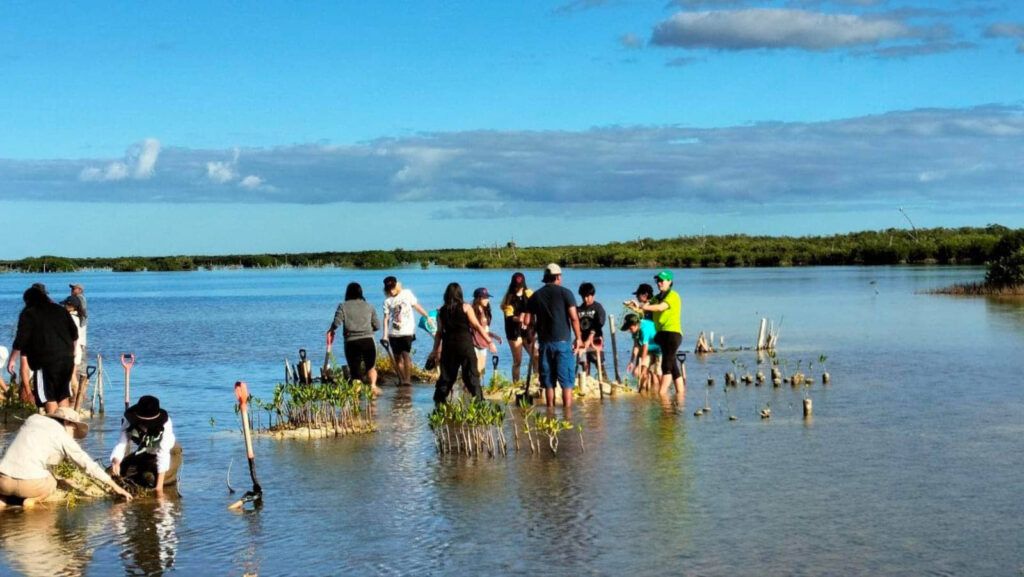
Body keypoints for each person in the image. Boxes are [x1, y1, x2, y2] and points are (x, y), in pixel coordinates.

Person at [0, 407, 132, 508]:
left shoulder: (32, 419)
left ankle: (4, 501)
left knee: (7, 489)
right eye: (74, 431)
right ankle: (32, 501)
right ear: (68, 423)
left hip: (3, 479)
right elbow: (87, 464)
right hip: (31, 486)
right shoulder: (62, 436)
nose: (73, 436)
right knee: (52, 481)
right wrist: (116, 487)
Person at [8, 283, 79, 413]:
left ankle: (54, 427)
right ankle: (65, 427)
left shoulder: (29, 314)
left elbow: (20, 340)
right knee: (63, 394)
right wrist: (72, 353)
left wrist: (12, 360)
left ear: (28, 301)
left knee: (49, 397)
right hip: (66, 359)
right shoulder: (60, 309)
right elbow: (74, 334)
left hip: (45, 362)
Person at [526, 264, 583, 412]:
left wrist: (531, 336)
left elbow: (528, 321)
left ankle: (550, 411)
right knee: (567, 382)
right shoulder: (566, 293)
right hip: (563, 342)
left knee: (548, 382)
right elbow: (574, 318)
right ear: (558, 277)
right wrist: (579, 338)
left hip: (545, 343)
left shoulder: (536, 295)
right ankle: (567, 414)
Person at [430, 283, 493, 405]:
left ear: (446, 295)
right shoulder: (466, 307)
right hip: (465, 346)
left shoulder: (441, 311)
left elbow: (439, 333)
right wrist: (489, 341)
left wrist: (435, 350)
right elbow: (477, 326)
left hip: (449, 347)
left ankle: (439, 401)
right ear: (460, 294)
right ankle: (479, 401)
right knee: (471, 375)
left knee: (447, 376)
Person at [110, 396, 182, 495]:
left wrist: (159, 489)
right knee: (112, 472)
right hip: (146, 452)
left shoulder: (165, 425)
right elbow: (122, 442)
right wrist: (116, 461)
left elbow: (163, 455)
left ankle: (169, 481)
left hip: (170, 453)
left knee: (150, 480)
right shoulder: (129, 420)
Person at [636, 270, 686, 396]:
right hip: (662, 335)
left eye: (662, 280)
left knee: (666, 366)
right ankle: (681, 395)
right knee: (673, 367)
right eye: (658, 281)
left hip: (672, 334)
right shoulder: (657, 297)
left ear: (669, 281)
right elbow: (645, 307)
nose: (659, 283)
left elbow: (660, 307)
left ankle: (662, 396)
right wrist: (635, 306)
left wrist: (643, 307)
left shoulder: (673, 295)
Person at [328, 282, 381, 396]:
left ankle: (356, 397)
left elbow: (336, 323)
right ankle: (373, 387)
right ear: (361, 292)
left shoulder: (343, 306)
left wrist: (331, 330)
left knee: (355, 371)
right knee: (371, 367)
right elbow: (377, 326)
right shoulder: (369, 306)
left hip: (351, 342)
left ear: (347, 293)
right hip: (368, 341)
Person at [381, 276, 433, 386]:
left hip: (407, 332)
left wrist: (427, 316)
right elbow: (385, 319)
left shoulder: (406, 294)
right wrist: (384, 336)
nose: (391, 290)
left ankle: (407, 380)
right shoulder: (387, 301)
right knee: (397, 357)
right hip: (393, 333)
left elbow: (416, 306)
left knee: (406, 355)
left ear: (397, 285)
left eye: (393, 287)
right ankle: (402, 379)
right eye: (388, 288)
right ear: (386, 289)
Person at [620, 313, 662, 392]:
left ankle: (662, 394)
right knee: (636, 372)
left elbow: (645, 347)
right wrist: (631, 362)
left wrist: (641, 364)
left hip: (659, 349)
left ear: (635, 324)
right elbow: (636, 346)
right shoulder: (635, 331)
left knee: (657, 372)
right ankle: (644, 394)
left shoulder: (644, 329)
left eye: (630, 328)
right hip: (649, 350)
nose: (629, 331)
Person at [576, 282, 607, 380]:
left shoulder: (598, 308)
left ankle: (605, 381)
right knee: (585, 364)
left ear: (593, 295)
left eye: (588, 296)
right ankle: (586, 382)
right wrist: (578, 339)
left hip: (596, 340)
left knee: (599, 364)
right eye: (583, 297)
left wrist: (591, 337)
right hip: (583, 341)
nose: (586, 299)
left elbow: (600, 322)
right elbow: (576, 325)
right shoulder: (579, 309)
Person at [470, 288, 501, 380]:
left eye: (487, 297)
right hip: (474, 343)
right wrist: (490, 342)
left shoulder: (485, 311)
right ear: (478, 298)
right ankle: (471, 392)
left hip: (483, 344)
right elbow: (477, 328)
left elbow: (484, 329)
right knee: (476, 370)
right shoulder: (472, 311)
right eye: (485, 297)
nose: (487, 299)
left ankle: (477, 391)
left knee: (482, 371)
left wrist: (494, 336)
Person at [61, 295, 87, 403]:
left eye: (66, 304)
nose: (64, 306)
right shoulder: (79, 318)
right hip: (78, 350)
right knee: (72, 373)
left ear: (72, 306)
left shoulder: (71, 318)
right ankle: (76, 396)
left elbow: (70, 336)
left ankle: (76, 395)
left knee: (70, 374)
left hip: (72, 350)